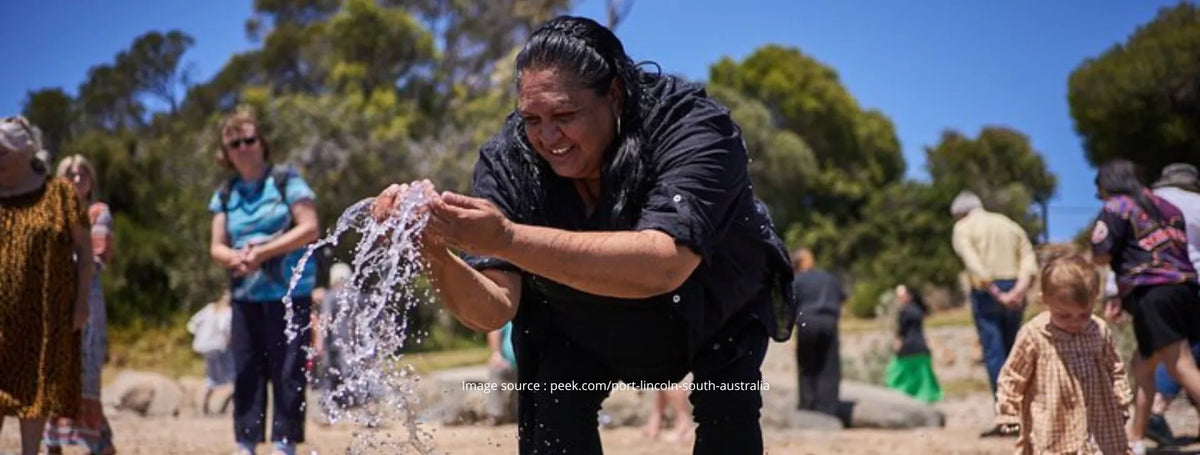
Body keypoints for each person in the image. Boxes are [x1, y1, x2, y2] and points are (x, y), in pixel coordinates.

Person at [372, 16, 797, 455]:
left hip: (716, 302)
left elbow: (664, 263)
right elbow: (493, 309)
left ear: (614, 94)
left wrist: (505, 238)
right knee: (554, 417)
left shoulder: (691, 127)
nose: (548, 136)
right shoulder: (509, 160)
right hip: (576, 319)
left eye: (565, 115)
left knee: (729, 411)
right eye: (532, 119)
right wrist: (434, 253)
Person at [208, 111, 320, 455]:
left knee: (288, 371)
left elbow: (310, 227)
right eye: (234, 143)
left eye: (249, 139)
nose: (243, 147)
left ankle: (284, 446)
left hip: (290, 293)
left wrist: (264, 252)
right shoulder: (225, 194)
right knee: (246, 370)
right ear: (226, 153)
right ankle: (246, 444)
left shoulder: (287, 180)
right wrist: (236, 258)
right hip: (245, 296)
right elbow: (216, 246)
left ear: (262, 143)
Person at [1090, 159, 1200, 455]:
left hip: (1152, 293)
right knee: (1143, 364)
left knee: (1181, 365)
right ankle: (1135, 438)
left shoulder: (1116, 207)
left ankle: (1135, 438)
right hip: (1187, 288)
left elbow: (1101, 254)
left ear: (1109, 183)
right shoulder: (1166, 207)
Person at [0, 115, 92, 455]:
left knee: (35, 389)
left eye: (3, 149)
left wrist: (82, 302)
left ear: (27, 150)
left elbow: (85, 250)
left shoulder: (60, 194)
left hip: (44, 316)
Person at [994, 252, 1132, 454]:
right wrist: (1008, 412)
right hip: (1053, 420)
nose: (1075, 322)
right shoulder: (1035, 334)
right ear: (1045, 301)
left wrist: (1121, 397)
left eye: (1084, 314)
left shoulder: (1099, 330)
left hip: (1098, 418)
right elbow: (1013, 375)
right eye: (1064, 315)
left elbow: (1115, 367)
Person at [949, 190, 1038, 437]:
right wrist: (1019, 288)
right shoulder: (1008, 223)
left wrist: (995, 291)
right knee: (1014, 354)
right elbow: (1028, 255)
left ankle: (1007, 418)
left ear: (959, 213)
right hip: (1016, 288)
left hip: (989, 292)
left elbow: (972, 261)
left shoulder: (963, 227)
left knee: (995, 354)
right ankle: (1023, 415)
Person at [44, 155, 117, 454]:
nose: (76, 178)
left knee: (84, 372)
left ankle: (94, 442)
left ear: (91, 180)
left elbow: (98, 259)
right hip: (52, 303)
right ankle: (55, 443)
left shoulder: (98, 212)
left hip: (85, 299)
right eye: (70, 174)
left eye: (82, 173)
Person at [1144, 162, 1200, 444]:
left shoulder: (1141, 206)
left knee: (1169, 350)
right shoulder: (1196, 203)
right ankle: (1156, 408)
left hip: (1151, 287)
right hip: (1192, 283)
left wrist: (1113, 291)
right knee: (1186, 352)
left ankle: (1154, 410)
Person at [791, 248, 844, 417]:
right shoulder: (828, 277)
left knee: (806, 364)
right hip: (829, 321)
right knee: (829, 365)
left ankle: (807, 405)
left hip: (807, 321)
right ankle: (828, 408)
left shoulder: (797, 279)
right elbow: (842, 297)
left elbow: (790, 303)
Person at [883, 284, 942, 404]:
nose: (899, 299)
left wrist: (897, 342)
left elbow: (902, 331)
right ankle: (926, 395)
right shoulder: (917, 310)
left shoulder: (905, 312)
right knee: (923, 374)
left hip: (909, 346)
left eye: (901, 296)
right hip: (920, 345)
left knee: (896, 371)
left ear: (908, 296)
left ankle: (897, 394)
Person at [188, 291, 236, 415]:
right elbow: (225, 329)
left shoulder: (209, 308)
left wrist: (201, 335)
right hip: (219, 346)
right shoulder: (229, 312)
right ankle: (231, 408)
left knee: (210, 378)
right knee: (230, 376)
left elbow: (192, 324)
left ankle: (202, 408)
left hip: (204, 347)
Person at [484, 321, 518, 425]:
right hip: (506, 361)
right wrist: (496, 353)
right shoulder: (507, 317)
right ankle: (495, 415)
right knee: (496, 374)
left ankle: (516, 414)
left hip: (526, 362)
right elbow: (494, 331)